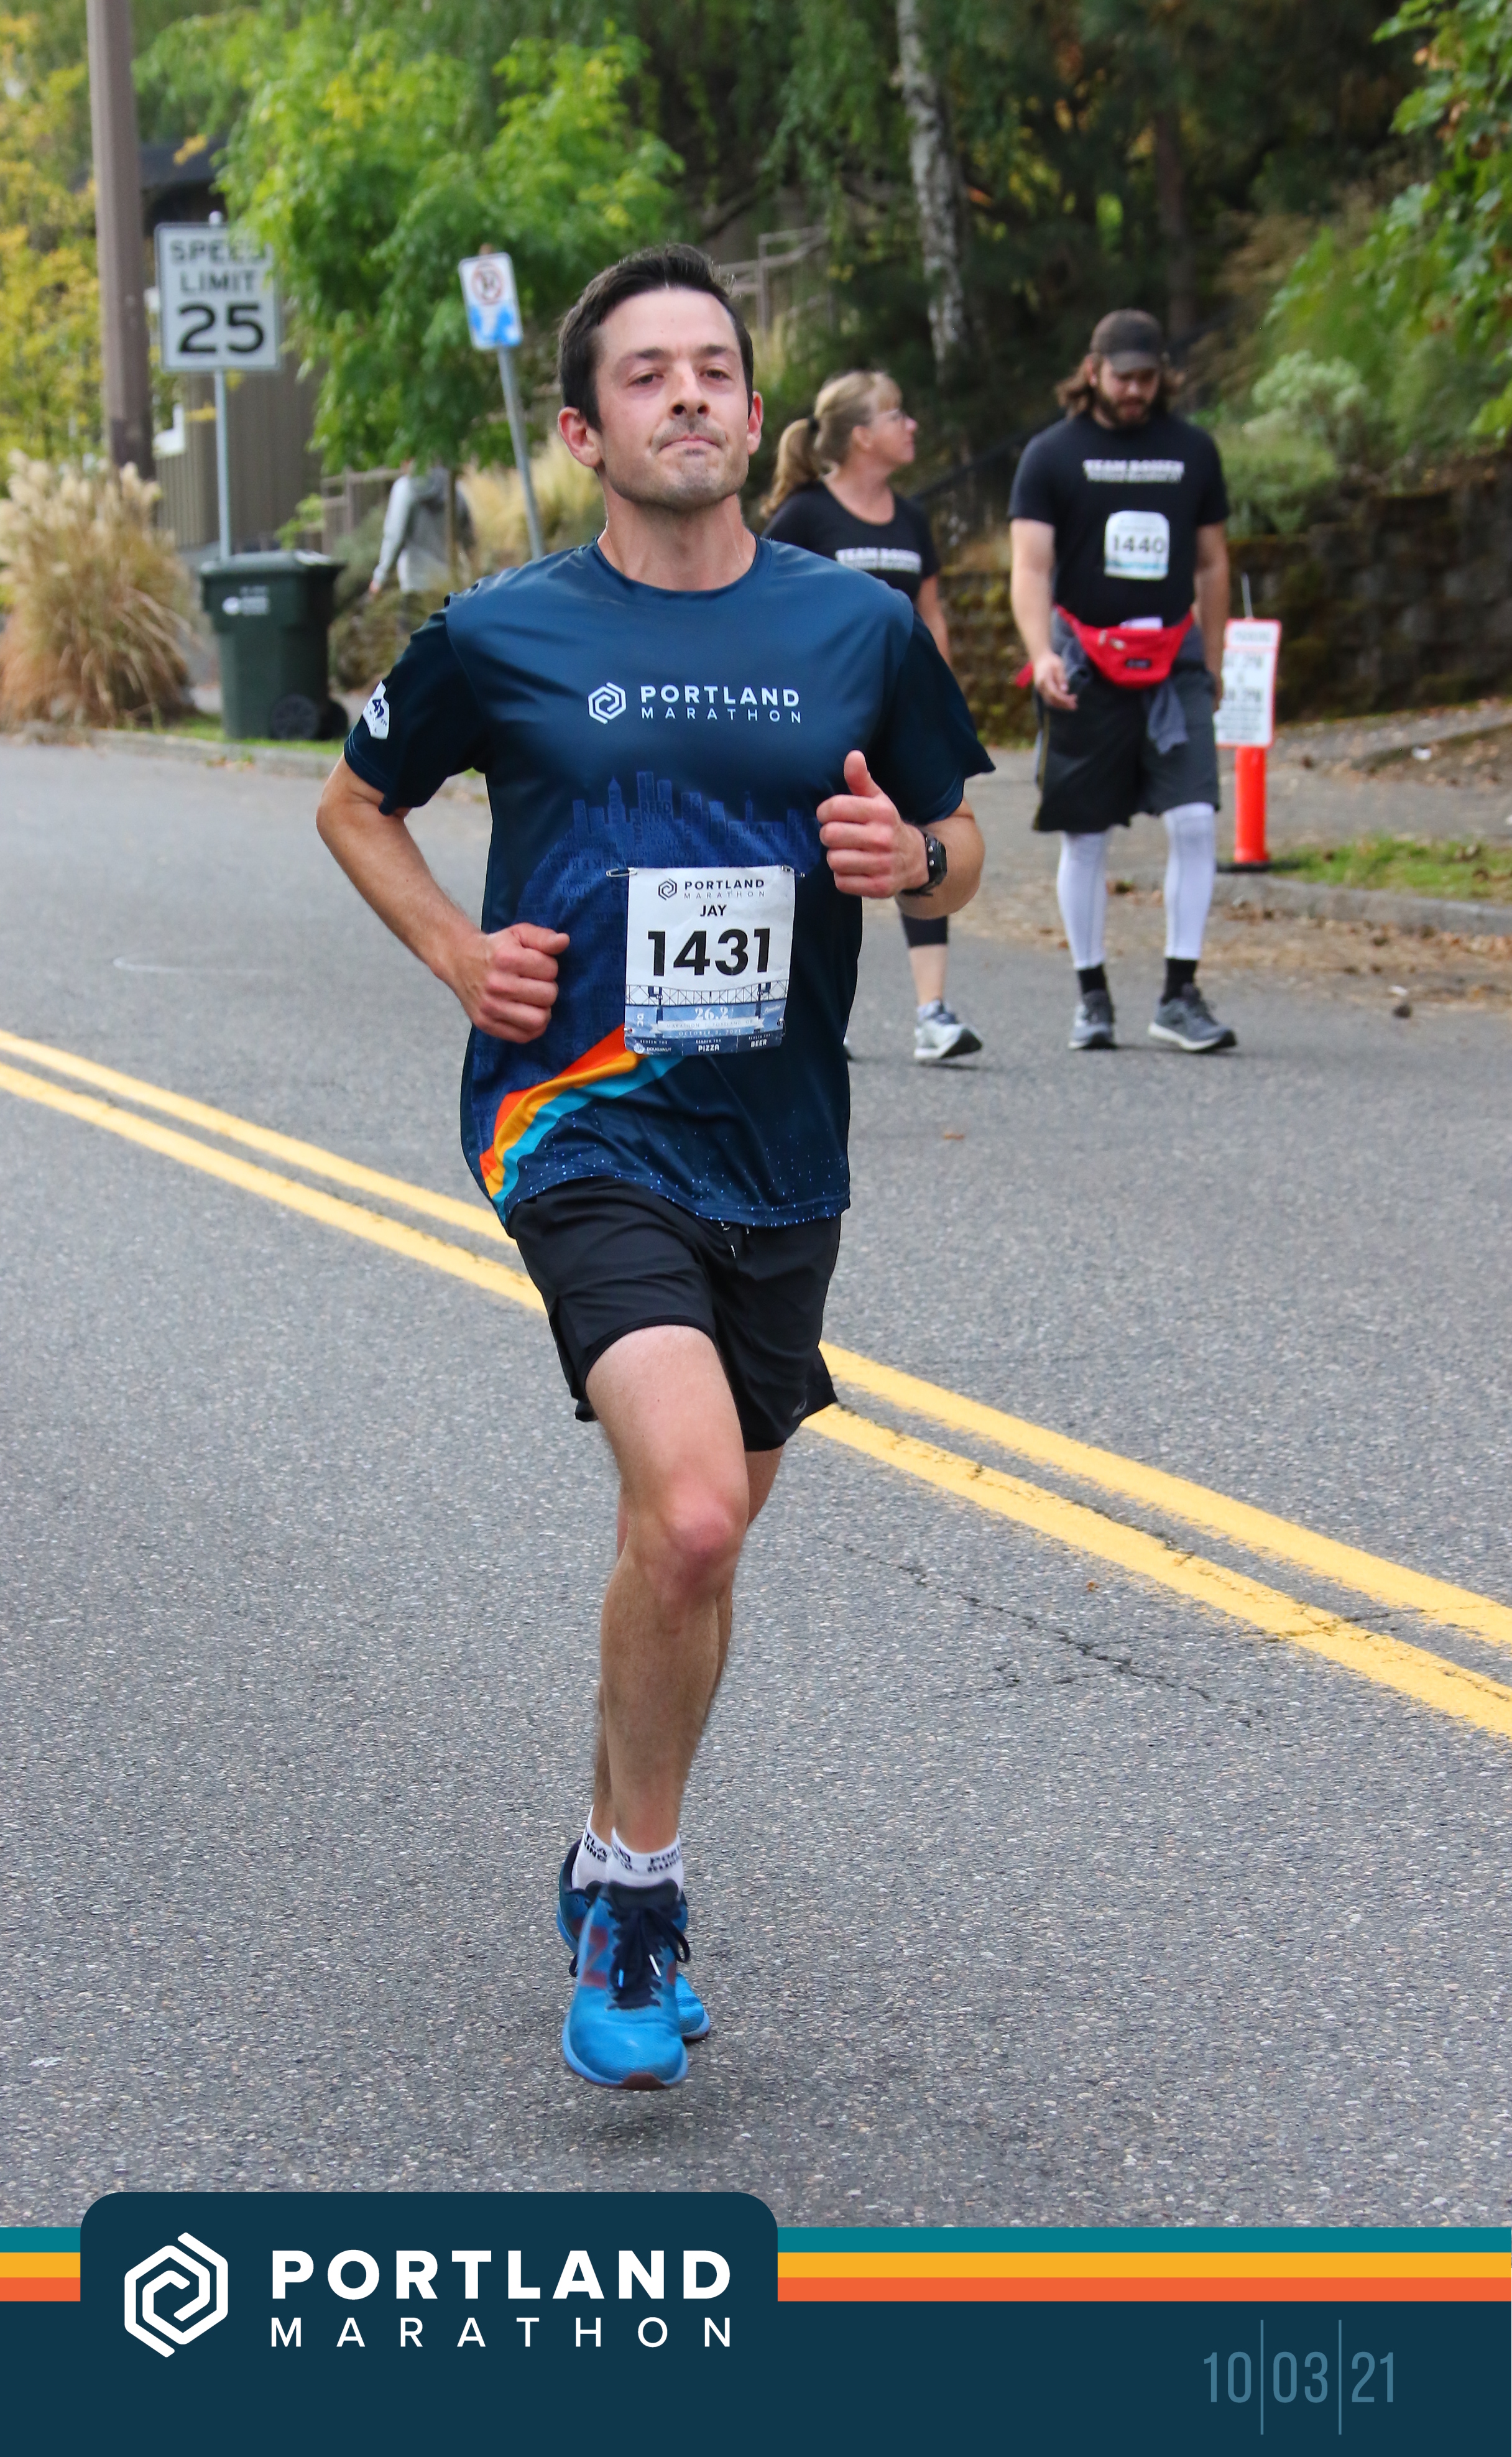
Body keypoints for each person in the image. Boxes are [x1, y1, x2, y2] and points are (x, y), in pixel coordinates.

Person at [316, 244, 989, 2090]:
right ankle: (637, 1894)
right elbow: (357, 802)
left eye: (713, 369)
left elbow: (953, 844)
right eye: (645, 373)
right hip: (575, 1122)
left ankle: (613, 1837)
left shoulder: (852, 631)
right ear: (580, 429)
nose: (686, 393)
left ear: (754, 416)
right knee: (689, 1512)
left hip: (780, 1145)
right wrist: (459, 953)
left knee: (697, 1541)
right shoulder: (500, 634)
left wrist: (909, 867)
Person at [1008, 308, 1237, 1053]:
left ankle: (1177, 994)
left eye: (1146, 377)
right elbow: (1029, 568)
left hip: (1174, 662)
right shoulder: (1050, 454)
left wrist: (1213, 658)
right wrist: (1041, 653)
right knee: (1085, 836)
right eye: (1122, 377)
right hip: (1083, 663)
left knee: (1194, 819)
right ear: (1092, 371)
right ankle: (1091, 997)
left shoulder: (1192, 451)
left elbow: (1212, 564)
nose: (1135, 390)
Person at [763, 372, 982, 1066]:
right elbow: (765, 608)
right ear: (860, 435)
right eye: (895, 415)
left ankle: (932, 1011)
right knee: (820, 860)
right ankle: (818, 1012)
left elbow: (930, 615)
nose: (910, 425)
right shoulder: (803, 515)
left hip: (896, 710)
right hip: (819, 716)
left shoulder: (911, 518)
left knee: (921, 840)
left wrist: (939, 700)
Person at [368, 462, 474, 599]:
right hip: (449, 584)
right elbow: (469, 540)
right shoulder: (455, 488)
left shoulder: (405, 488)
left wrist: (380, 578)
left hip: (415, 584)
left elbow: (394, 537)